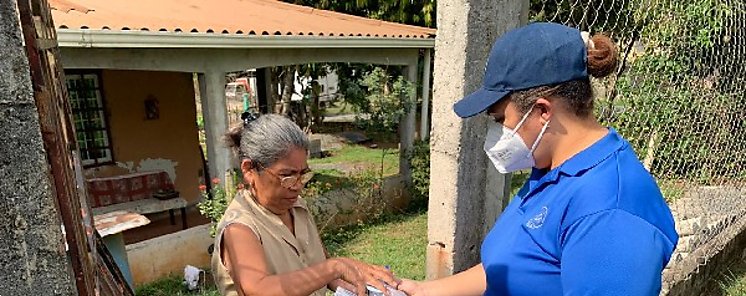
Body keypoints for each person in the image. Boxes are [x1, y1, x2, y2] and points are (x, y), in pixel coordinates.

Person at [398, 22, 678, 296]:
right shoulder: (555, 168)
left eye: (499, 119)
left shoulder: (609, 212)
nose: (496, 134)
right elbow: (515, 265)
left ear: (542, 111)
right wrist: (422, 290)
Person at [211, 113, 398, 296]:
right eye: (287, 176)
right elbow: (259, 289)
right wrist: (334, 267)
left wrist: (362, 286)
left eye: (302, 174)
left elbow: (317, 268)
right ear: (249, 170)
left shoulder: (297, 208)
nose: (298, 186)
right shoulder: (239, 228)